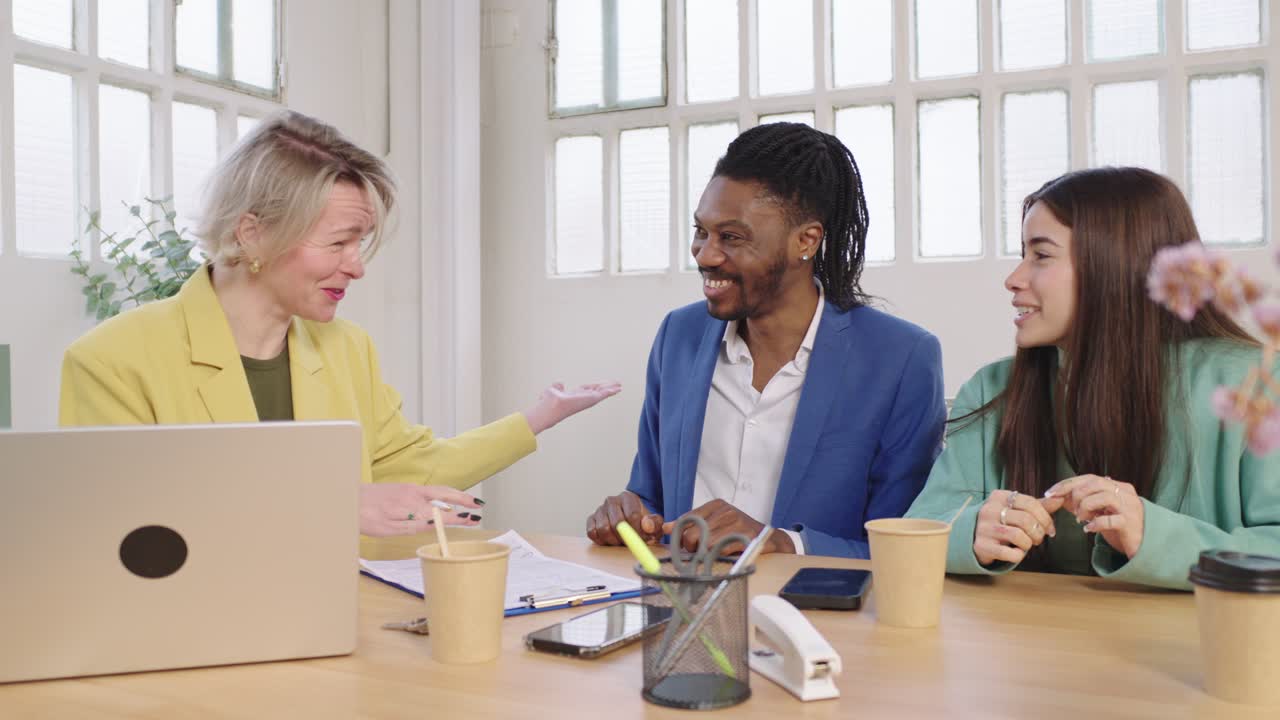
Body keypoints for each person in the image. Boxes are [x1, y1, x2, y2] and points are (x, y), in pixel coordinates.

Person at [59, 110, 619, 537]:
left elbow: (406, 467)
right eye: (338, 242)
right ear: (251, 231)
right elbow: (119, 530)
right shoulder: (113, 361)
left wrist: (539, 416)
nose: (357, 266)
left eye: (360, 241)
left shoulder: (347, 348)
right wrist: (335, 505)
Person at [905, 167, 1280, 589]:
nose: (1014, 279)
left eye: (1041, 255)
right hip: (1020, 648)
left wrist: (1156, 538)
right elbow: (919, 527)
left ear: (1115, 264)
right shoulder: (992, 391)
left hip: (1204, 652)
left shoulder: (1258, 384)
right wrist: (971, 532)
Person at [585, 122, 946, 558]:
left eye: (731, 237)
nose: (705, 254)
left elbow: (907, 548)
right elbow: (650, 497)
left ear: (805, 241)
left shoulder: (900, 360)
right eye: (702, 231)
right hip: (683, 607)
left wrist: (778, 542)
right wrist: (629, 515)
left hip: (815, 619)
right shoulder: (678, 338)